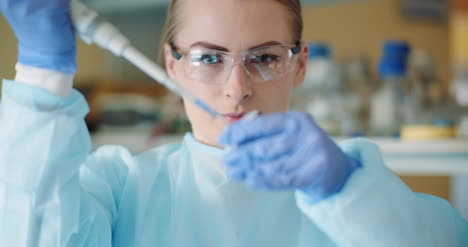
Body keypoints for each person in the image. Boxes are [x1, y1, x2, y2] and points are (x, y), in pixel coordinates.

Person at [0, 0, 467, 246]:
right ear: (172, 65)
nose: (237, 89)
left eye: (264, 57)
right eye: (208, 57)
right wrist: (44, 73)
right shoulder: (120, 188)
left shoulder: (358, 184)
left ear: (301, 64)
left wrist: (343, 190)